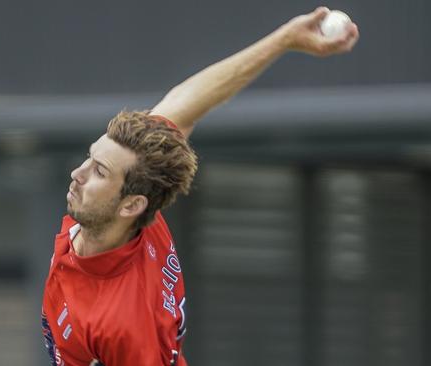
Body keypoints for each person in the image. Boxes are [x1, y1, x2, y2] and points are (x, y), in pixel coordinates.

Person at [41, 7, 359, 366]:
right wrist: (285, 40)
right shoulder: (122, 212)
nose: (77, 174)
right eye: (89, 157)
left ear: (131, 205)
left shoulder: (126, 327)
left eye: (98, 171)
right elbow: (193, 97)